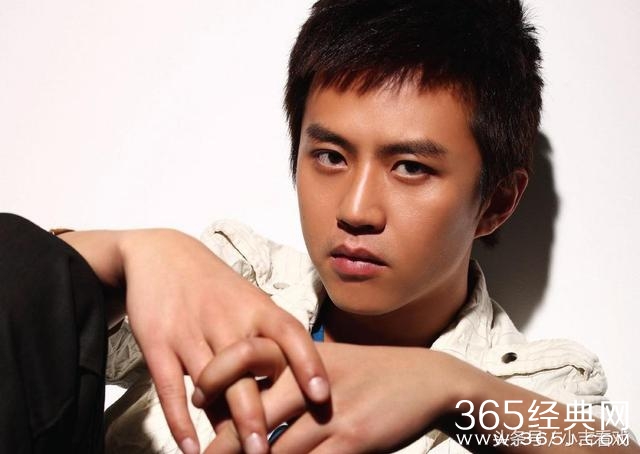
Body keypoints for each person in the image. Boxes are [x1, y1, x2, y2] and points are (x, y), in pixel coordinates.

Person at [0, 1, 637, 454]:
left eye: (410, 167)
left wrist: (450, 387)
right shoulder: (234, 278)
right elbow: (24, 323)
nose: (356, 209)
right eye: (330, 156)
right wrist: (134, 252)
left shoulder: (526, 384)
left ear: (495, 203)